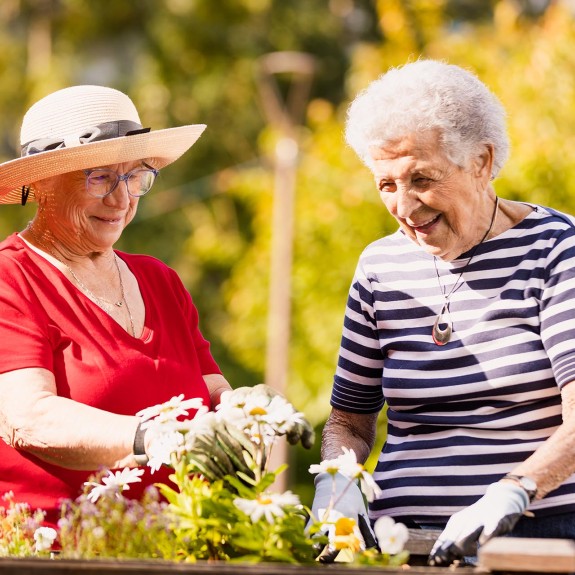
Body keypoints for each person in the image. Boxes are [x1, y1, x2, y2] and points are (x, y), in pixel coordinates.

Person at [310, 59, 575, 566]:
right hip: (398, 541)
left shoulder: (555, 249)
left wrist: (514, 491)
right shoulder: (379, 267)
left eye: (421, 179)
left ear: (481, 161)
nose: (405, 207)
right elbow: (349, 421)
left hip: (534, 537)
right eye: (386, 184)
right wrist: (337, 482)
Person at [0, 85, 232, 526]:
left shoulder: (160, 280)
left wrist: (250, 414)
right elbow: (27, 418)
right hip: (58, 552)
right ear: (43, 184)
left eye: (134, 176)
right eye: (101, 178)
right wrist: (154, 437)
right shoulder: (11, 277)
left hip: (183, 546)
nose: (122, 200)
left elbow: (213, 391)